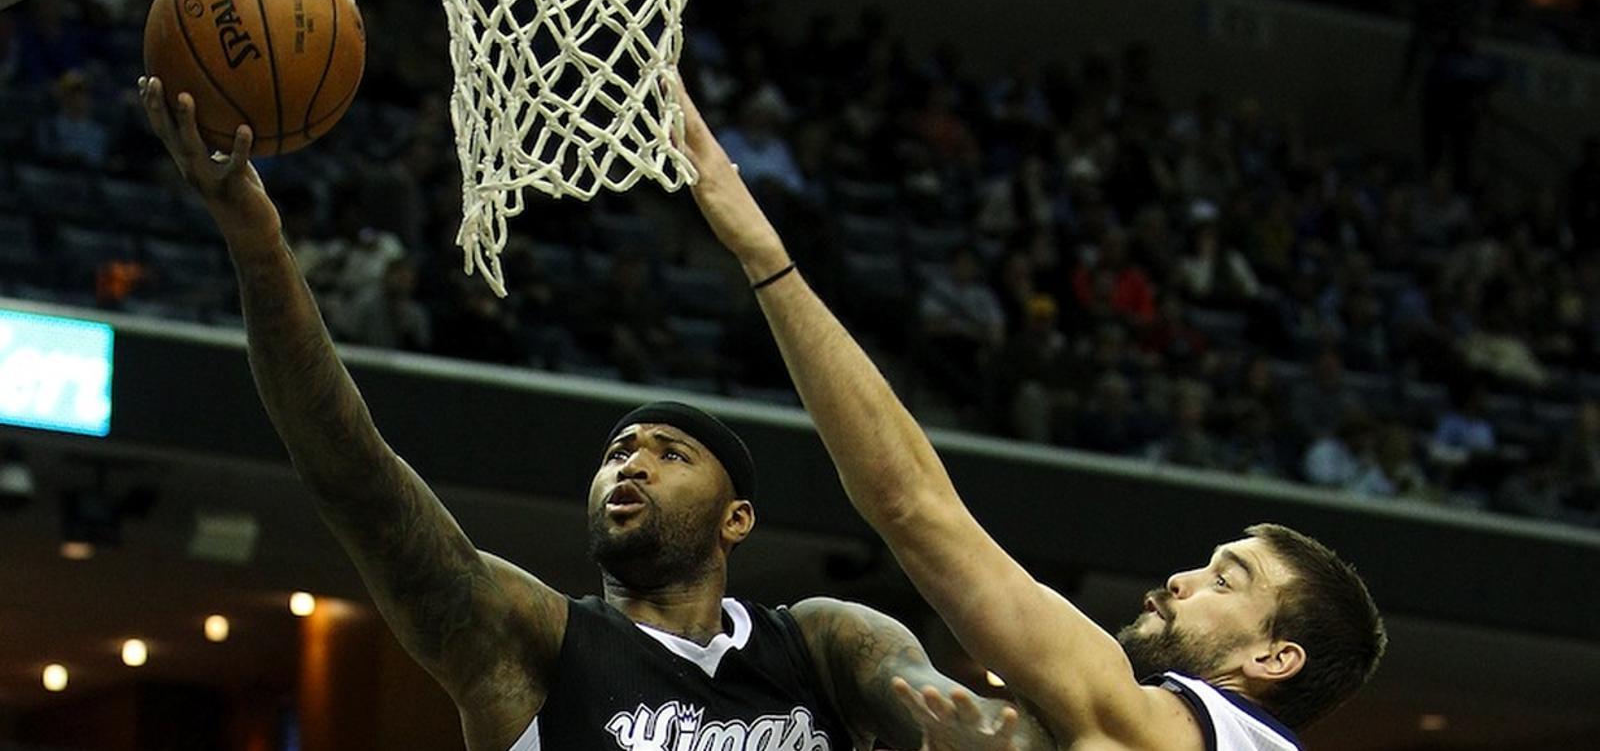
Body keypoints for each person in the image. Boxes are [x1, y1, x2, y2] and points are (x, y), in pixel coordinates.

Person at [138, 76, 1043, 751]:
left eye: (670, 453)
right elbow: (355, 477)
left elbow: (930, 698)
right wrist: (260, 247)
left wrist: (968, 731)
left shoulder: (822, 642)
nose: (631, 463)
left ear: (737, 519)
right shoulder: (534, 644)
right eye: (618, 451)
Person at [675, 79, 1387, 750]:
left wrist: (765, 257)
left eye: (1225, 581)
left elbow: (912, 506)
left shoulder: (1162, 728)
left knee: (839, 633)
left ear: (1275, 657)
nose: (1182, 581)